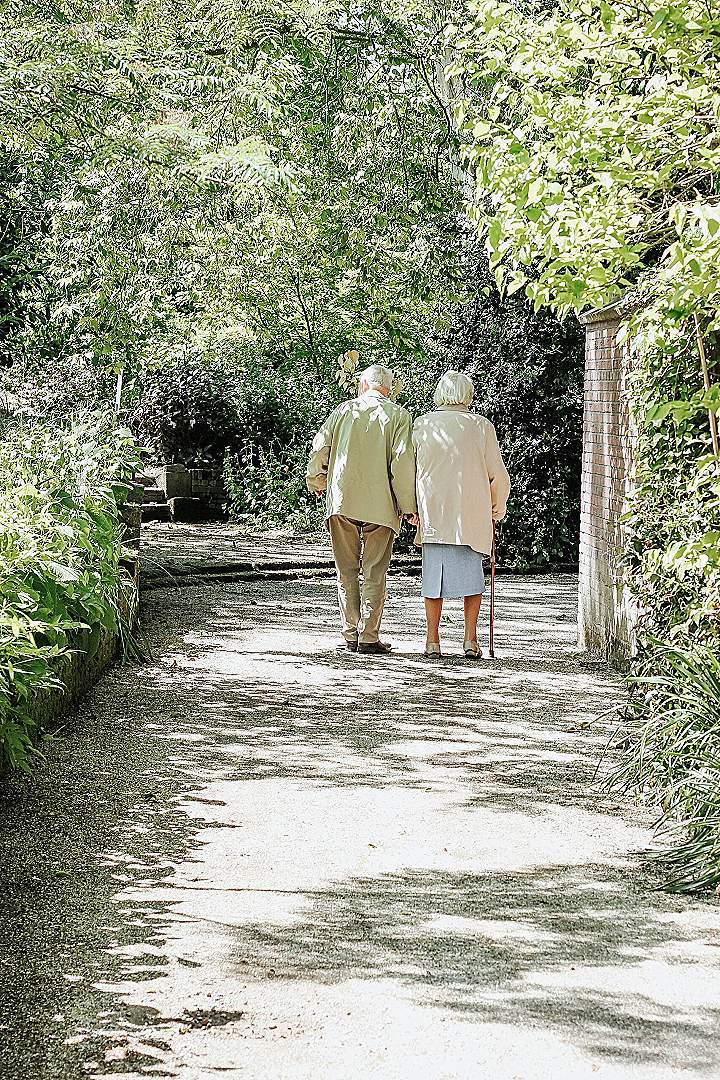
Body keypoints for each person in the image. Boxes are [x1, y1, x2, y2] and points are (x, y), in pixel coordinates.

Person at [306, 364, 417, 655]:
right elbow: (402, 465)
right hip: (382, 505)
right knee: (375, 571)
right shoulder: (399, 416)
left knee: (346, 570)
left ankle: (350, 633)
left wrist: (317, 479)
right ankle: (368, 636)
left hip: (343, 500)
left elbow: (320, 448)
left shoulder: (343, 411)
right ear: (388, 389)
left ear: (364, 385)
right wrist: (408, 506)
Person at [413, 370, 510, 659]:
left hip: (434, 513)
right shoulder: (481, 427)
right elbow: (498, 475)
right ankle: (470, 639)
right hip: (471, 514)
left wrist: (410, 508)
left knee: (433, 579)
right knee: (472, 579)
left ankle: (432, 640)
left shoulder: (423, 425)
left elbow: (410, 470)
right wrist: (497, 507)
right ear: (467, 395)